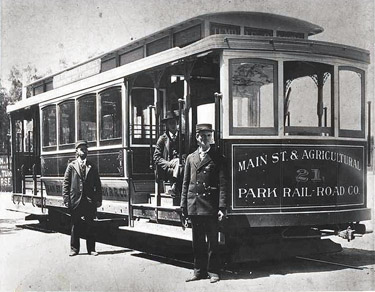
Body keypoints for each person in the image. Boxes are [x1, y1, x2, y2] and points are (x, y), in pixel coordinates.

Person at [180, 123, 227, 283]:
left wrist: (221, 206)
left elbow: (222, 184)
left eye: (208, 135)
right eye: (202, 136)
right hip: (194, 205)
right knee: (197, 242)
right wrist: (183, 206)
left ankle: (213, 272)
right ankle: (198, 271)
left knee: (212, 242)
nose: (206, 139)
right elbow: (185, 184)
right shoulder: (190, 158)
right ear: (197, 137)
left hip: (210, 206)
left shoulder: (217, 157)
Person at [63, 140, 103, 257]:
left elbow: (98, 184)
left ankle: (92, 249)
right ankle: (74, 249)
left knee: (90, 225)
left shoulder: (92, 166)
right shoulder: (71, 166)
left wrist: (98, 199)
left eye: (85, 149)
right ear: (77, 151)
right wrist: (66, 199)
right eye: (81, 149)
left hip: (89, 200)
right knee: (75, 225)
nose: (84, 151)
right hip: (76, 200)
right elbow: (66, 183)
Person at [153, 111, 185, 197]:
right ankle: (174, 186)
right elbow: (156, 157)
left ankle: (174, 186)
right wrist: (168, 164)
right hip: (167, 167)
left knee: (179, 162)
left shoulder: (183, 138)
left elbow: (187, 152)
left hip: (181, 164)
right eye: (170, 123)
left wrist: (182, 158)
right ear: (167, 125)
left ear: (177, 123)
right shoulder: (162, 139)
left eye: (174, 122)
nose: (173, 125)